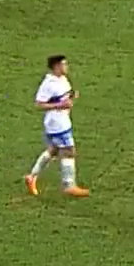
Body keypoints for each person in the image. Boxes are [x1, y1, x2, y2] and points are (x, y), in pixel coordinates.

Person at [26, 54, 89, 198]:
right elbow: (39, 104)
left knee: (54, 150)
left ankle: (32, 176)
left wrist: (71, 97)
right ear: (56, 66)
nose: (66, 67)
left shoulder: (63, 79)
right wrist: (60, 105)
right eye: (64, 64)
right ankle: (69, 186)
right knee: (69, 151)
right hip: (57, 123)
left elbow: (63, 98)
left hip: (62, 120)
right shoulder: (49, 84)